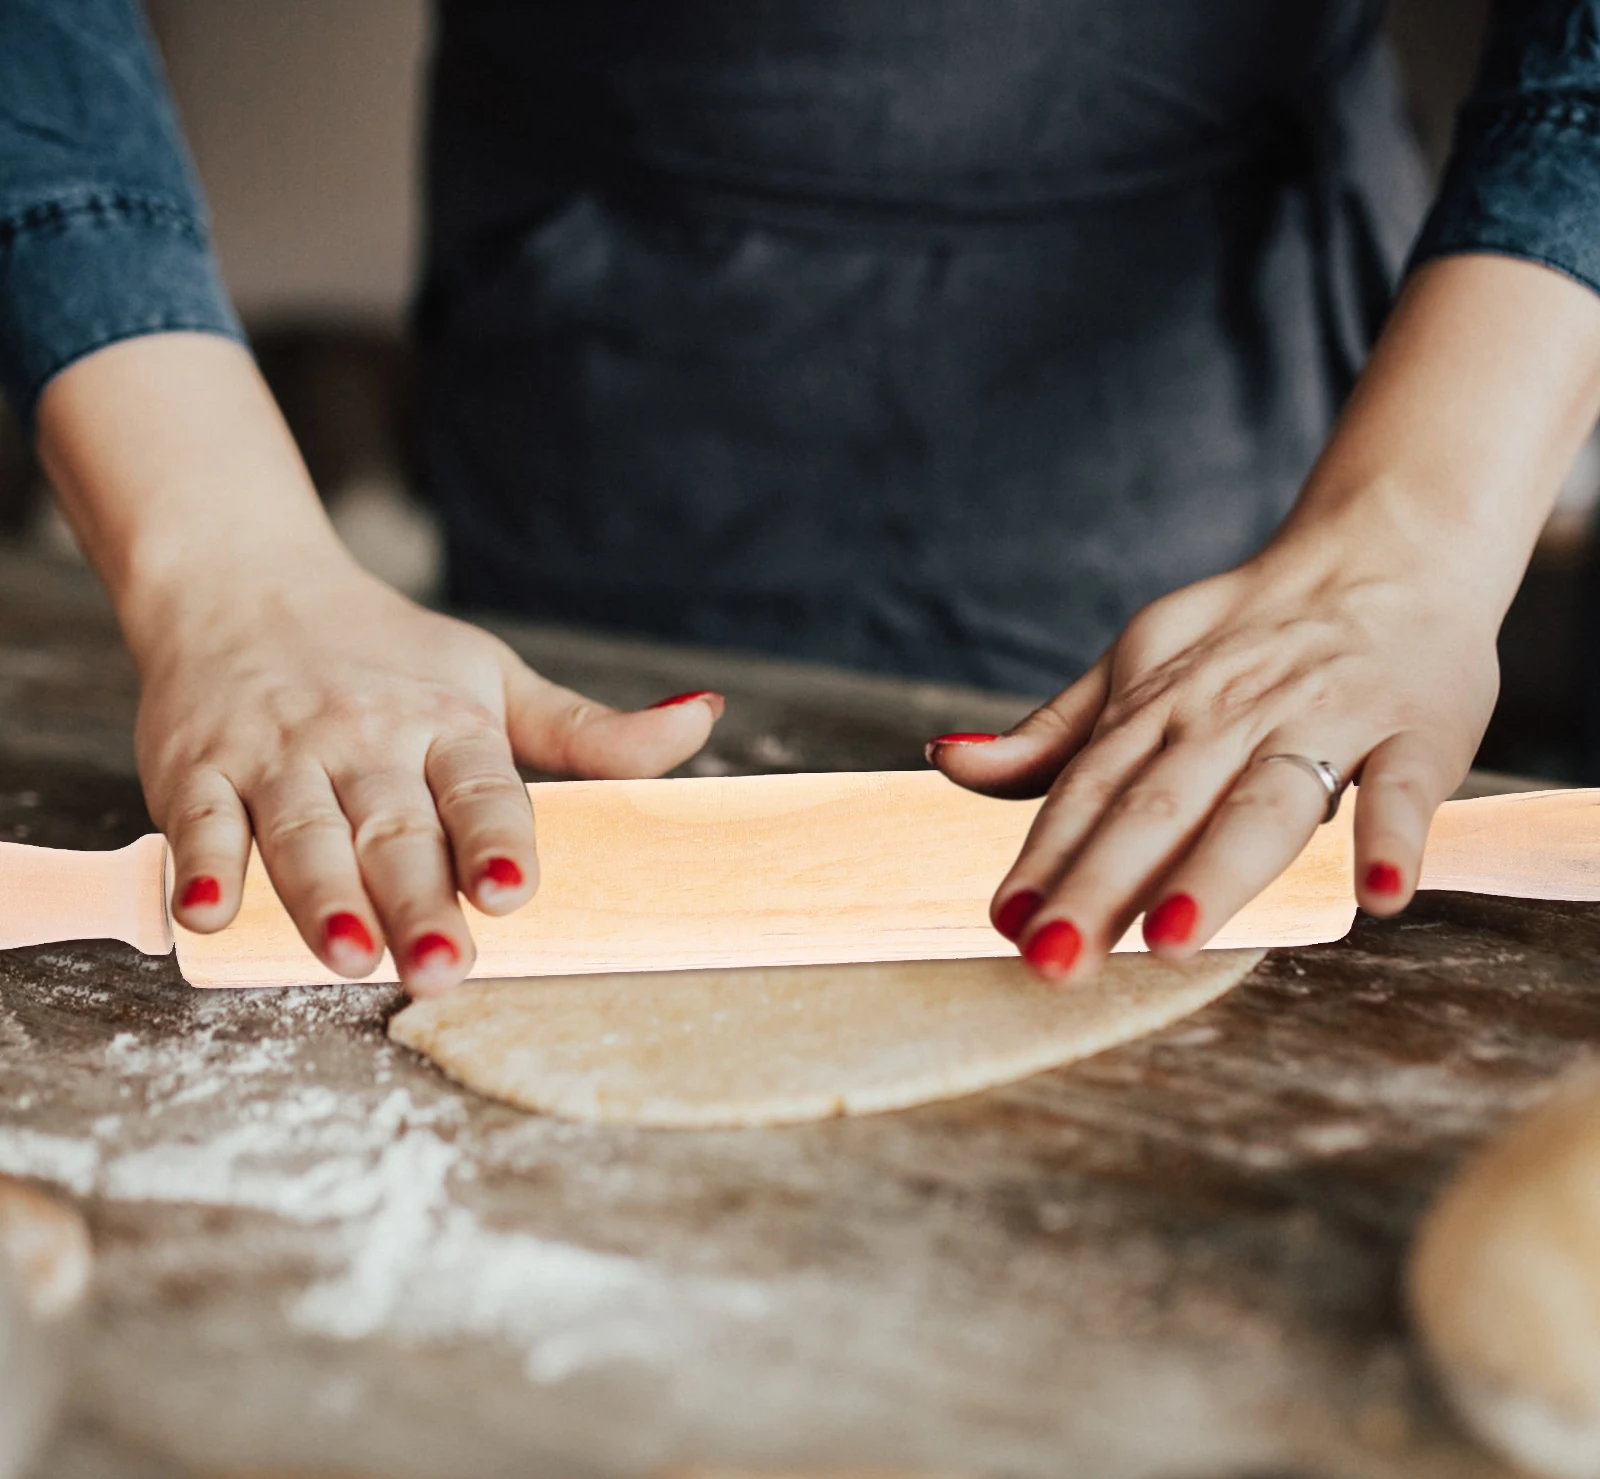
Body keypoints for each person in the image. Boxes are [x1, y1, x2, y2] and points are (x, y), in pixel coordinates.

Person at [3, 1, 1599, 997]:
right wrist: (222, 556)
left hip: (1202, 380)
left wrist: (1417, 528)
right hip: (609, 345)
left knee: (1197, 858)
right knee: (537, 891)